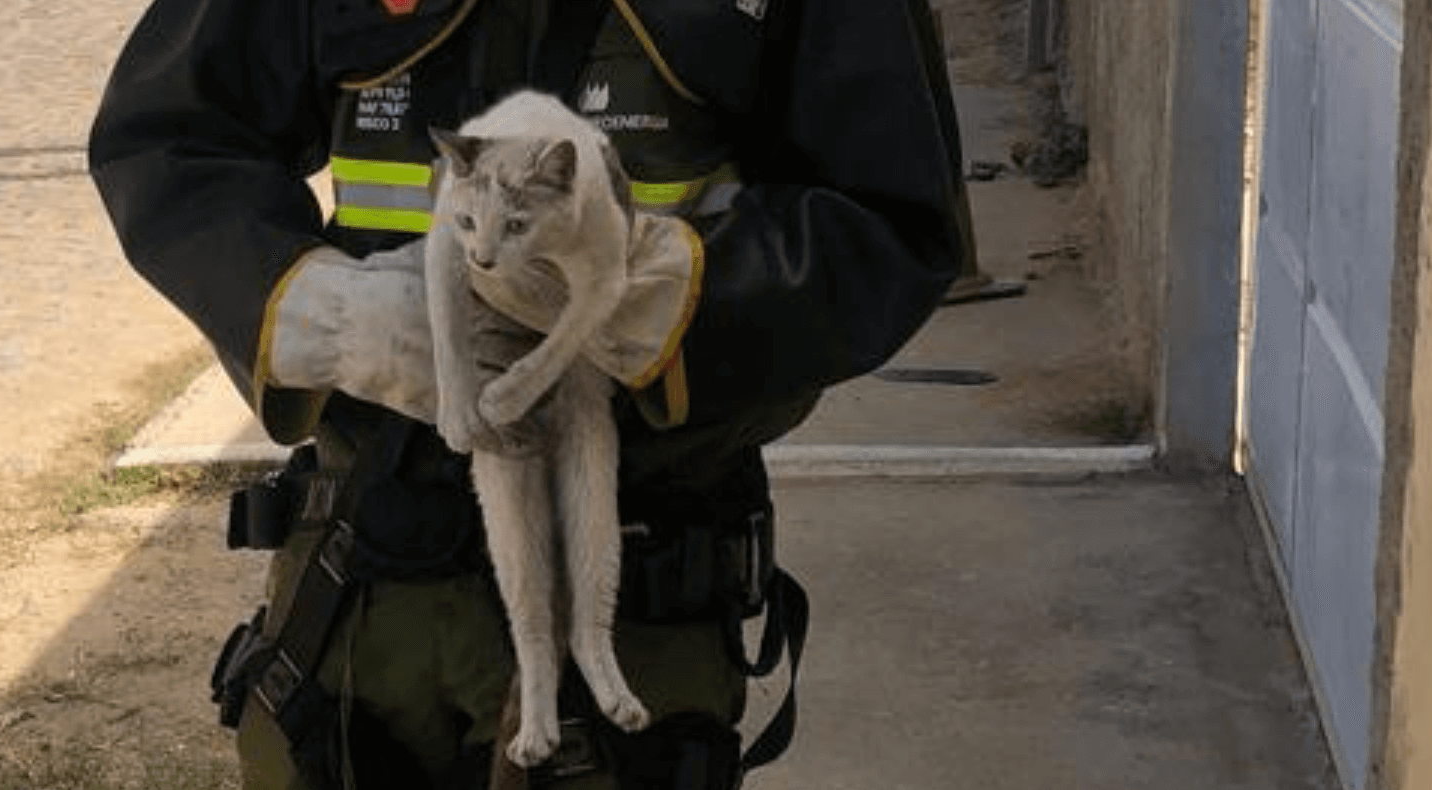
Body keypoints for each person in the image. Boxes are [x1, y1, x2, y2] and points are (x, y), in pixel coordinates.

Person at [87, 1, 974, 787]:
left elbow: (889, 221)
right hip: (357, 595)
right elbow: (169, 136)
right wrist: (329, 313)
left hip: (637, 593)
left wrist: (640, 298)